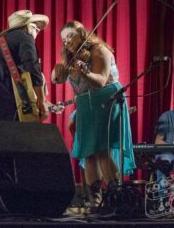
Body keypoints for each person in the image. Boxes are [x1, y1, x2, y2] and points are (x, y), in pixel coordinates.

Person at [51, 20, 135, 208]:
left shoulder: (99, 51)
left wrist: (85, 73)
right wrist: (56, 75)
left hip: (106, 100)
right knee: (88, 151)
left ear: (82, 32)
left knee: (101, 150)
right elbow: (57, 78)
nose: (66, 42)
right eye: (63, 39)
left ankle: (117, 197)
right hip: (87, 105)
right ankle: (94, 201)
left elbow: (100, 81)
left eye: (70, 36)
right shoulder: (72, 56)